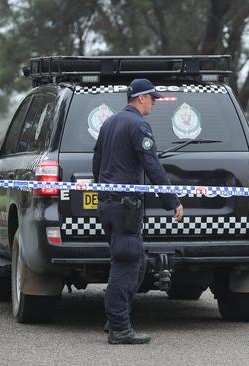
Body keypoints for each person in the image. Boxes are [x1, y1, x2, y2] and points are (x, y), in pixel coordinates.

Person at [93, 78, 184, 345]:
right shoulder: (138, 125)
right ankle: (120, 328)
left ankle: (115, 319)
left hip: (109, 205)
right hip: (125, 206)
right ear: (141, 98)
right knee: (127, 262)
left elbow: (97, 161)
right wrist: (172, 201)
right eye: (152, 99)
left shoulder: (109, 123)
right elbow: (152, 165)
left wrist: (103, 193)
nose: (154, 103)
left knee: (135, 262)